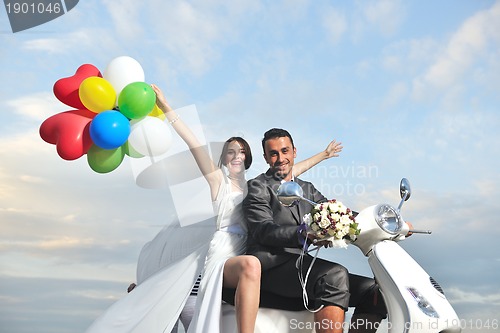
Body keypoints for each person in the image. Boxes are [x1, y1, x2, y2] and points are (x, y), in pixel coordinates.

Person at [151, 85, 344, 333]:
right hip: (224, 255)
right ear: (223, 158)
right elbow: (194, 144)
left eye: (241, 151)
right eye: (230, 151)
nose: (236, 156)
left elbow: (292, 169)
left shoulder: (257, 186)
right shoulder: (217, 182)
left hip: (248, 251)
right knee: (251, 267)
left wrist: (324, 155)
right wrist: (167, 108)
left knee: (254, 264)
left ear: (249, 157)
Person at [242, 128, 392, 333]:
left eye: (285, 151)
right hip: (271, 266)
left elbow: (339, 214)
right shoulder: (258, 186)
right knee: (334, 275)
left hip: (301, 265)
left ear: (294, 152)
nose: (280, 158)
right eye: (274, 153)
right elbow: (263, 230)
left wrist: (386, 223)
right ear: (266, 158)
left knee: (375, 292)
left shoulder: (307, 188)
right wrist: (302, 233)